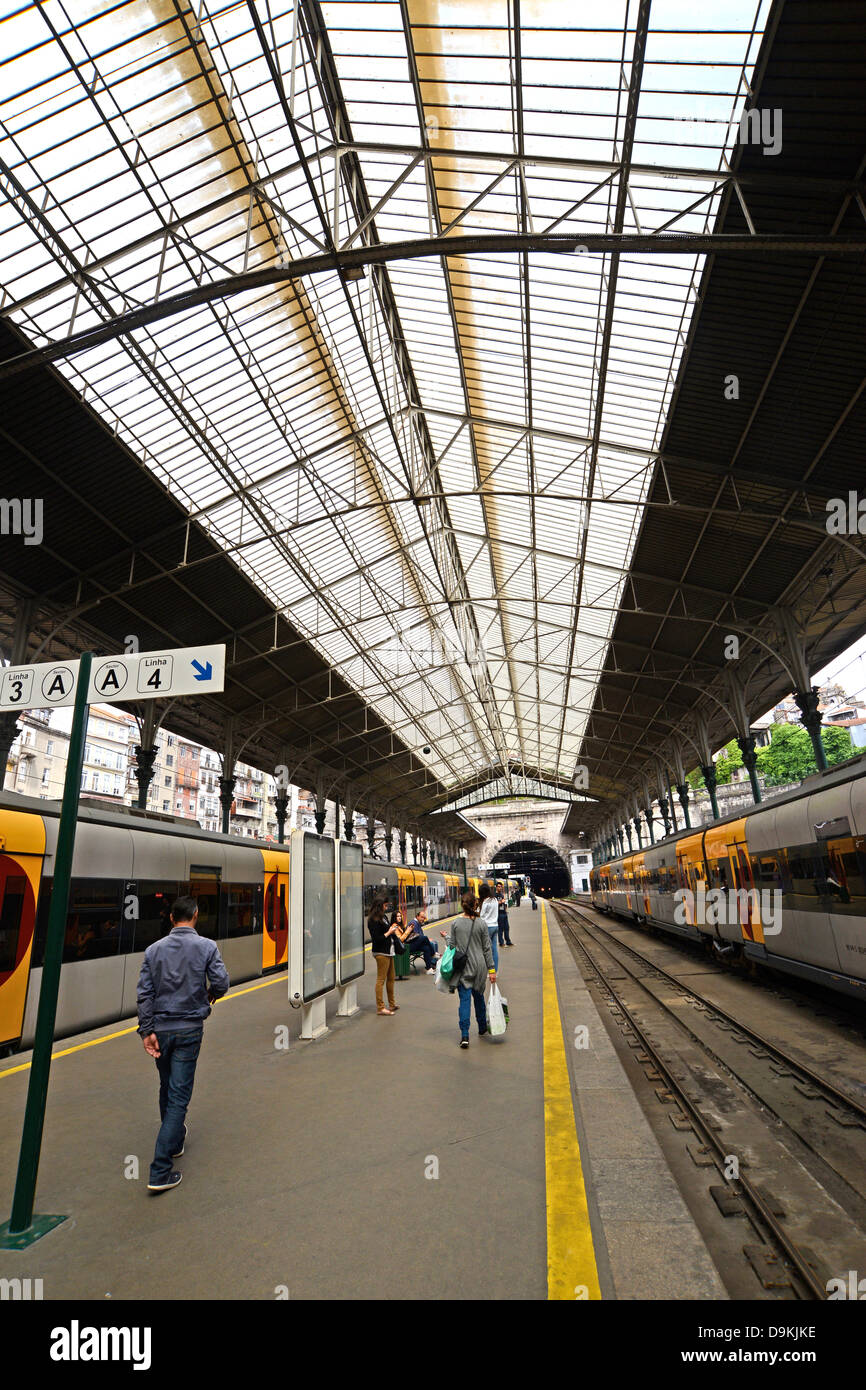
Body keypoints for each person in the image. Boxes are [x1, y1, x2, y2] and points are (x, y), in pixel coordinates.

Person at [137, 895, 229, 1193]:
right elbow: (222, 983)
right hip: (189, 1029)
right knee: (179, 1096)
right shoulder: (206, 946)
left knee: (167, 1086)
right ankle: (160, 1170)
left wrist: (146, 1031)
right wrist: (210, 996)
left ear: (171, 918)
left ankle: (175, 1142)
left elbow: (145, 994)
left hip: (161, 1029)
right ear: (196, 915)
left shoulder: (153, 951)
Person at [446, 891, 496, 1048]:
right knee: (479, 997)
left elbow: (452, 946)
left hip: (464, 968)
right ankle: (482, 1028)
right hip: (480, 967)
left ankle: (465, 1035)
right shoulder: (481, 923)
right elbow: (487, 948)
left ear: (463, 905)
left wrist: (446, 938)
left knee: (465, 1001)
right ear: (475, 905)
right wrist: (492, 970)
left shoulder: (455, 923)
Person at [368, 899, 402, 1015]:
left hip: (389, 951)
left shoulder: (384, 917)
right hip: (381, 952)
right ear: (379, 905)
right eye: (385, 905)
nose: (386, 907)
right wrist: (389, 932)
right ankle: (380, 1007)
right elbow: (377, 938)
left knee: (391, 978)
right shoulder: (373, 920)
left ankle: (392, 1004)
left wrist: (392, 930)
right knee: (381, 980)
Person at [403, 906, 439, 972]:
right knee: (427, 939)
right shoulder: (413, 923)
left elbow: (419, 936)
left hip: (415, 944)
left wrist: (426, 940)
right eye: (422, 917)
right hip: (410, 946)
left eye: (424, 918)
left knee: (427, 948)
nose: (423, 919)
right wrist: (426, 940)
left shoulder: (418, 923)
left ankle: (429, 967)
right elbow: (417, 937)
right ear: (417, 916)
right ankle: (433, 955)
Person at [478, 882, 500, 971]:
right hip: (495, 925)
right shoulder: (494, 899)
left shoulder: (485, 902)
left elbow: (481, 916)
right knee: (494, 949)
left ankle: (488, 970)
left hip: (487, 927)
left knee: (486, 950)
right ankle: (495, 970)